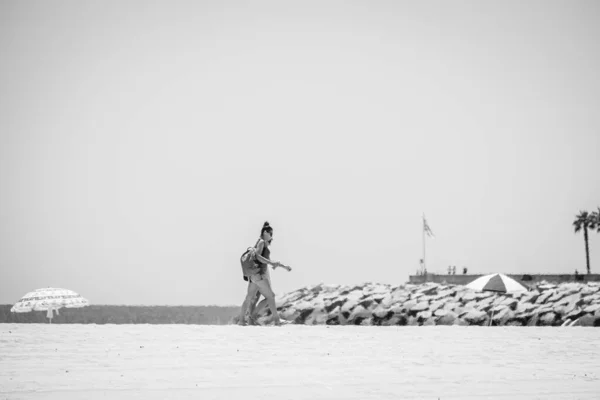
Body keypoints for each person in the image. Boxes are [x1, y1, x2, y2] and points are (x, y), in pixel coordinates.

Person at [239, 221, 291, 325]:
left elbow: (266, 260)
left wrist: (282, 266)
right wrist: (271, 263)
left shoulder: (261, 243)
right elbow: (258, 256)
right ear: (266, 232)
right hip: (259, 275)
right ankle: (276, 320)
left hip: (254, 276)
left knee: (248, 298)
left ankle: (241, 321)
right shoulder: (261, 242)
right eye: (271, 234)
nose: (272, 237)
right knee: (270, 296)